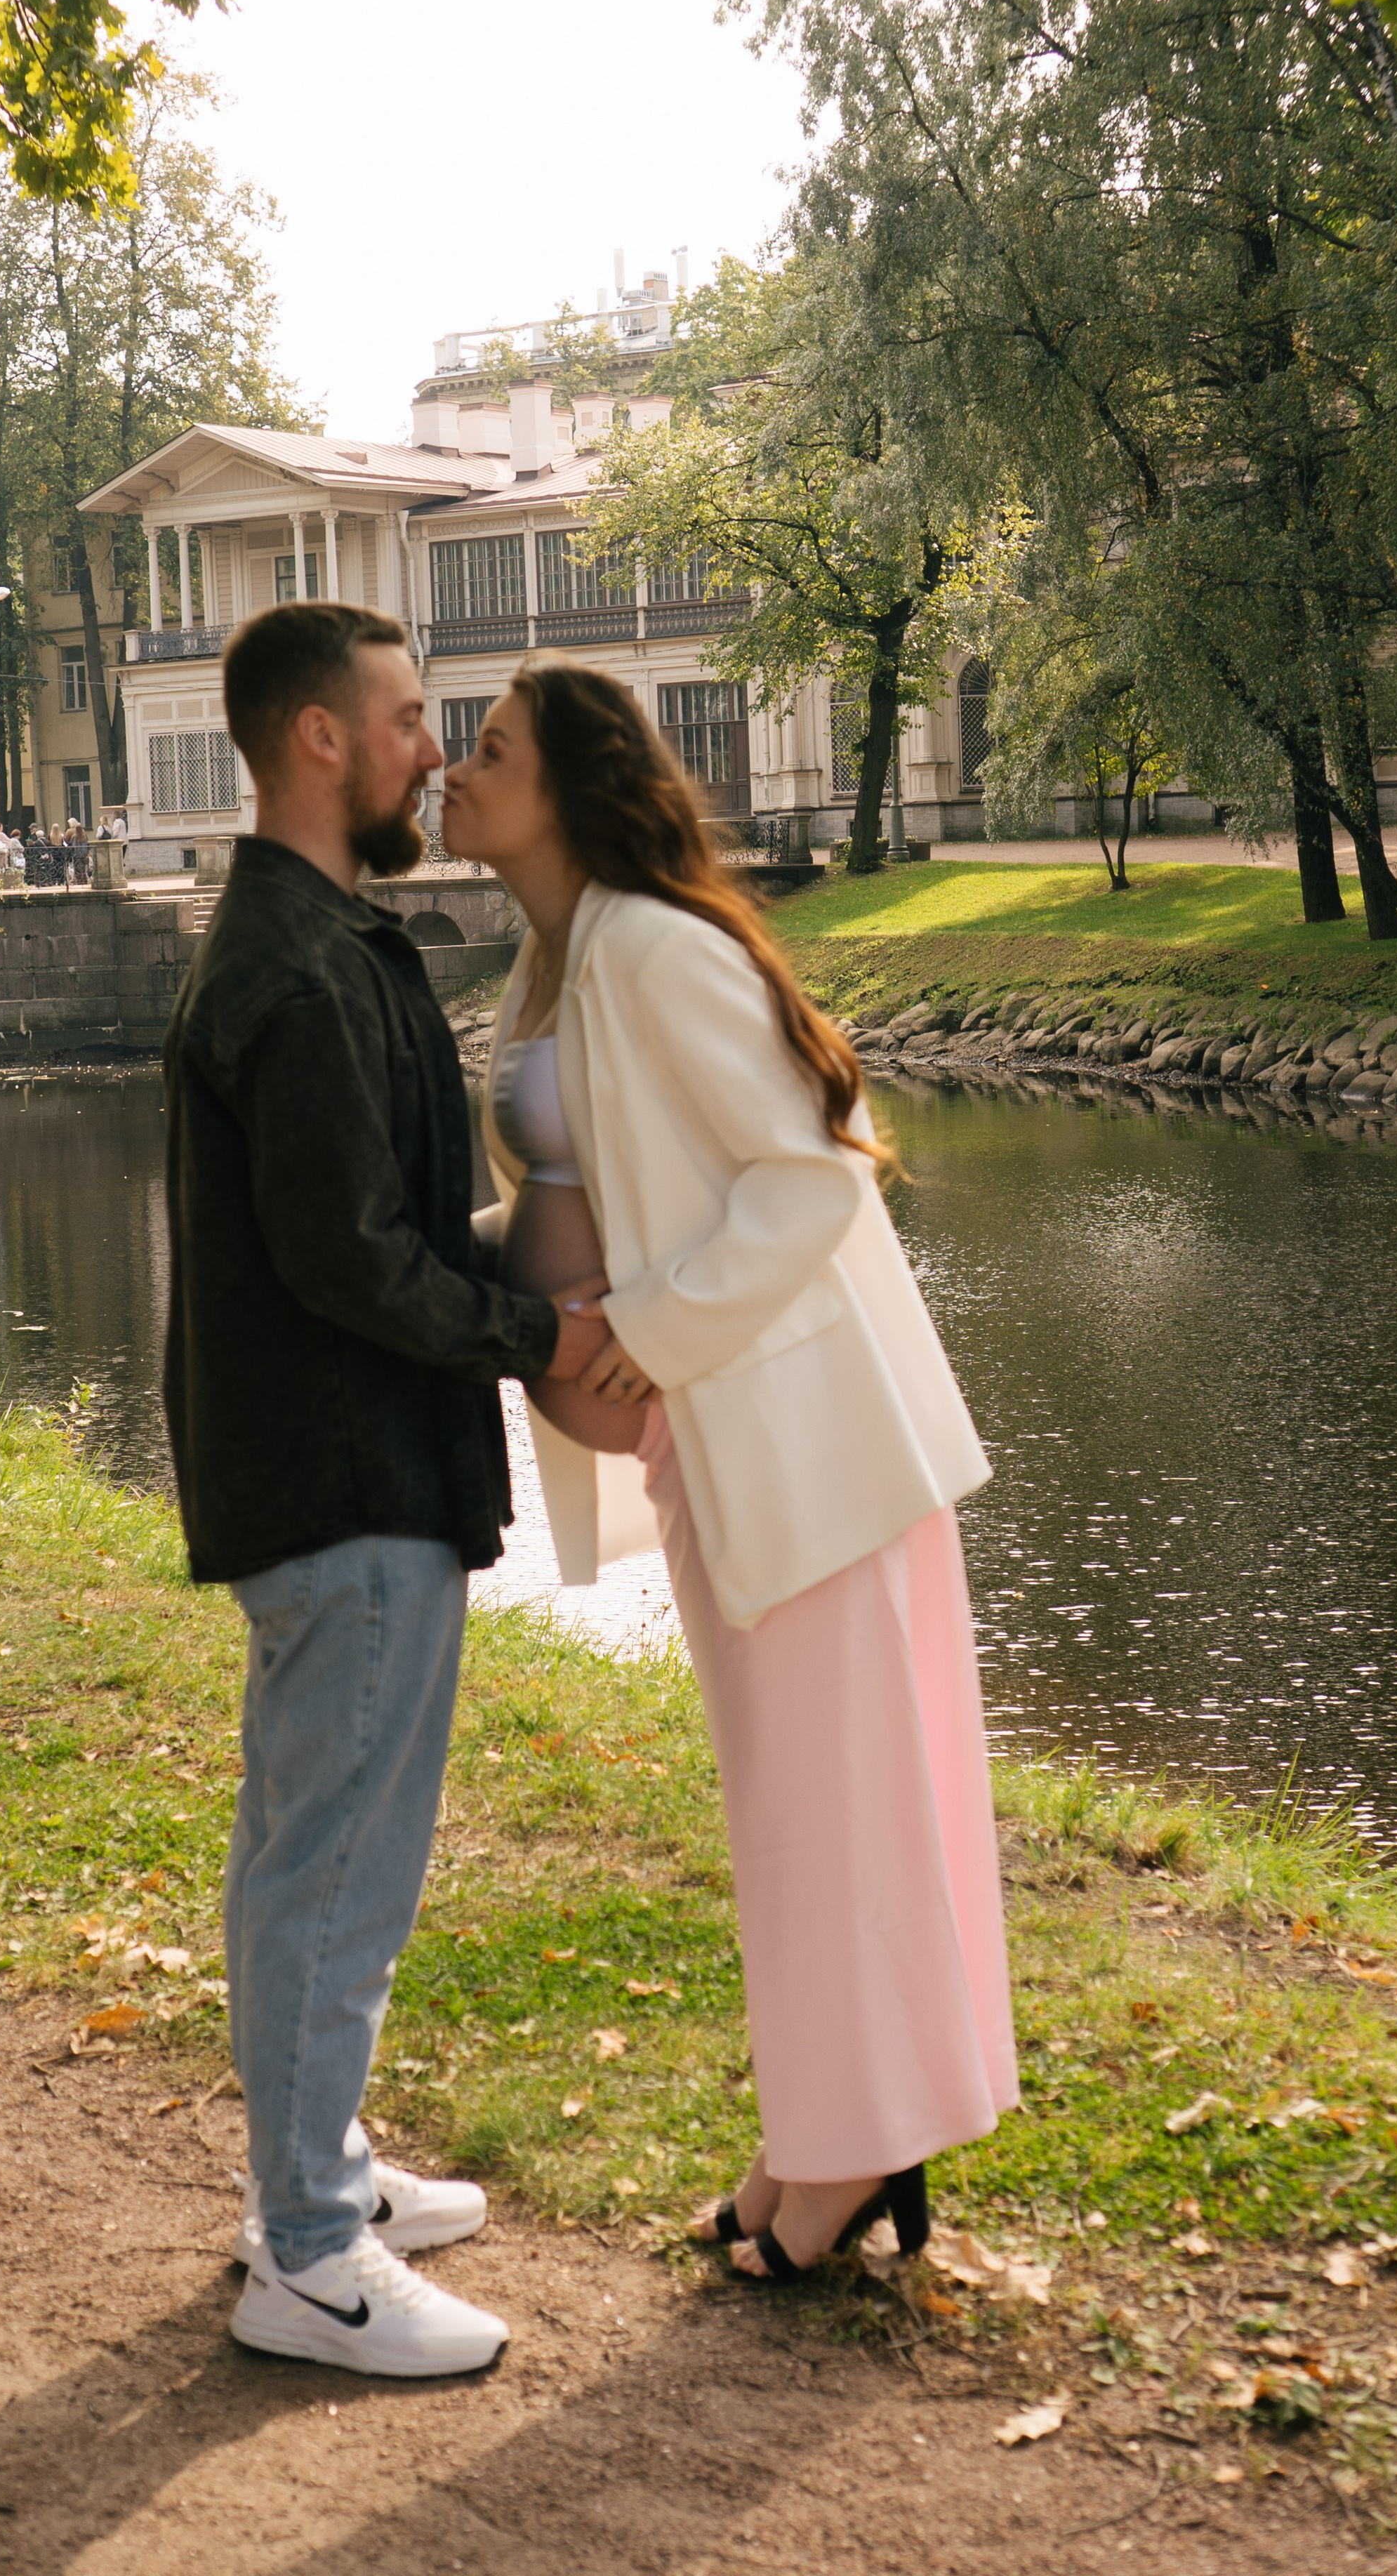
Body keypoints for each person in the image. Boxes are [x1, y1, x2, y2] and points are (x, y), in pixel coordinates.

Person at [442, 661, 1019, 2284]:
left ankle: (844, 2157)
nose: (454, 774)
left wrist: (648, 1323)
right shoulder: (555, 958)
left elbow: (807, 1175)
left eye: (487, 753)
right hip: (716, 1444)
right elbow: (603, 1180)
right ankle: (817, 2134)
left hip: (802, 1445)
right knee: (792, 1810)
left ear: (568, 784)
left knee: (835, 1809)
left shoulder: (653, 945)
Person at [163, 602, 611, 2378]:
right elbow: (348, 1260)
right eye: (413, 716)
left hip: (346, 1472)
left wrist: (544, 1272)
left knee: (307, 1848)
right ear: (321, 740)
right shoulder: (285, 968)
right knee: (334, 1872)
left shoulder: (322, 938)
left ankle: (316, 2171)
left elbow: (382, 1226)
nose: (435, 747)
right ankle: (307, 2256)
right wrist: (532, 1336)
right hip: (341, 1484)